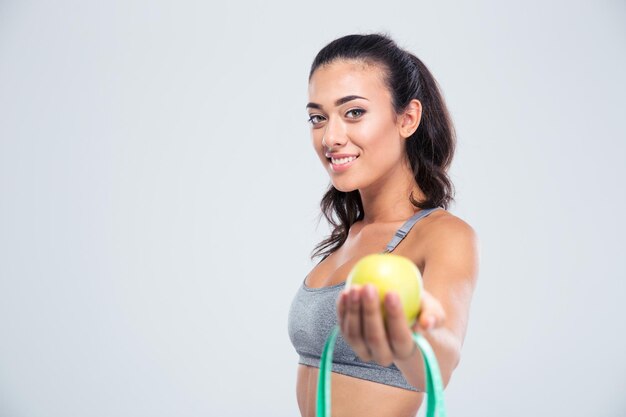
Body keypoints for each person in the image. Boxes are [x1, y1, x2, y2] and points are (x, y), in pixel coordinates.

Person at [287, 32, 480, 417]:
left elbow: (441, 362)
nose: (331, 136)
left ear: (407, 118)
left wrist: (406, 337)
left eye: (353, 112)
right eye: (317, 118)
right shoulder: (348, 236)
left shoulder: (442, 235)